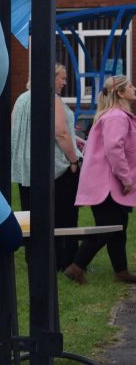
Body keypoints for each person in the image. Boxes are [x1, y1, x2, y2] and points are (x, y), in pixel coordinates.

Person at [10, 63, 84, 270]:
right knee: (64, 215)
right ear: (51, 79)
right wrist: (72, 160)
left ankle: (35, 258)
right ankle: (64, 260)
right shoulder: (51, 99)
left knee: (31, 214)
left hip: (27, 168)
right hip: (55, 168)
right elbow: (60, 133)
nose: (65, 82)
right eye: (62, 77)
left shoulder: (22, 99)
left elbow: (14, 127)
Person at [65, 75, 136, 284]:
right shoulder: (117, 117)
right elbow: (115, 149)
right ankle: (76, 267)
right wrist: (126, 179)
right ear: (120, 93)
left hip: (106, 183)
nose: (134, 88)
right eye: (130, 86)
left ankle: (121, 271)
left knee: (118, 227)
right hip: (109, 185)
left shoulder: (115, 115)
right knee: (108, 228)